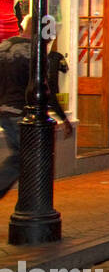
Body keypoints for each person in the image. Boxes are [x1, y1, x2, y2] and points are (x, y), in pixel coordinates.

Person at [0, 14, 73, 198]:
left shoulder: (3, 46)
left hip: (5, 111)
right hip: (22, 113)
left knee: (24, 156)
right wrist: (63, 118)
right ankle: (30, 202)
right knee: (28, 158)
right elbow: (45, 91)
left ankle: (26, 202)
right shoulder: (37, 54)